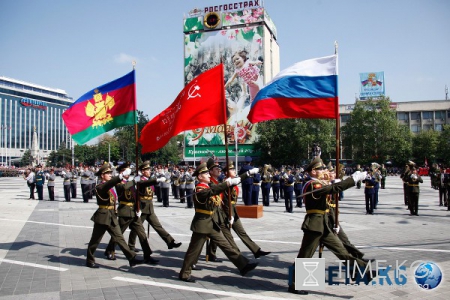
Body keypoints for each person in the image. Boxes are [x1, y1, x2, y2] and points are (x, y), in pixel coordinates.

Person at [289, 158, 372, 295]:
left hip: (324, 225)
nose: (324, 171)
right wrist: (353, 179)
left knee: (341, 251)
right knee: (305, 256)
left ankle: (364, 270)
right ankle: (294, 285)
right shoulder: (312, 185)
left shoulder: (318, 183)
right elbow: (332, 188)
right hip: (314, 226)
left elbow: (331, 189)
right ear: (313, 171)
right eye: (321, 169)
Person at [179, 162, 258, 283]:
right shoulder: (200, 188)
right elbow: (214, 190)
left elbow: (228, 183)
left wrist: (246, 174)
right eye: (205, 173)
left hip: (212, 223)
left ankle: (243, 265)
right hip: (202, 225)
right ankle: (184, 274)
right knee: (193, 251)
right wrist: (227, 183)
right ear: (200, 177)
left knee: (226, 245)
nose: (208, 175)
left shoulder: (209, 185)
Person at [85, 164, 144, 269]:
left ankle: (131, 258)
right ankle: (89, 260)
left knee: (119, 238)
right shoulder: (101, 186)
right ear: (102, 175)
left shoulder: (110, 186)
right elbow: (110, 184)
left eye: (110, 173)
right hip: (102, 216)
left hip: (112, 215)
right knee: (95, 240)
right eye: (107, 173)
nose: (110, 175)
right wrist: (121, 176)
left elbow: (116, 186)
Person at [104, 163, 158, 264]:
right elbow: (123, 188)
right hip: (124, 212)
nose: (128, 173)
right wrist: (134, 181)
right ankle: (110, 250)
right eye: (126, 171)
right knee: (118, 234)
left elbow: (135, 195)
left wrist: (138, 208)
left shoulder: (130, 181)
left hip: (134, 211)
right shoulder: (118, 182)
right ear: (121, 172)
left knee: (142, 234)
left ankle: (147, 255)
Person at [128, 161, 182, 252]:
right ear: (143, 171)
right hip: (142, 207)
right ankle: (131, 245)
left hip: (149, 207)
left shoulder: (148, 179)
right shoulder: (140, 180)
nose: (149, 171)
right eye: (147, 170)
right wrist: (157, 180)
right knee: (136, 228)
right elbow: (145, 184)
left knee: (158, 226)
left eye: (149, 169)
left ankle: (170, 242)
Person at [222, 161, 271, 259]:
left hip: (233, 211)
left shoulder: (234, 180)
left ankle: (256, 250)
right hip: (225, 212)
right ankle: (237, 258)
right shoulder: (225, 183)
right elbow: (225, 200)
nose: (234, 170)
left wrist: (258, 170)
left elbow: (242, 177)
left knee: (241, 232)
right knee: (225, 237)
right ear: (227, 172)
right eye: (231, 169)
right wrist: (229, 214)